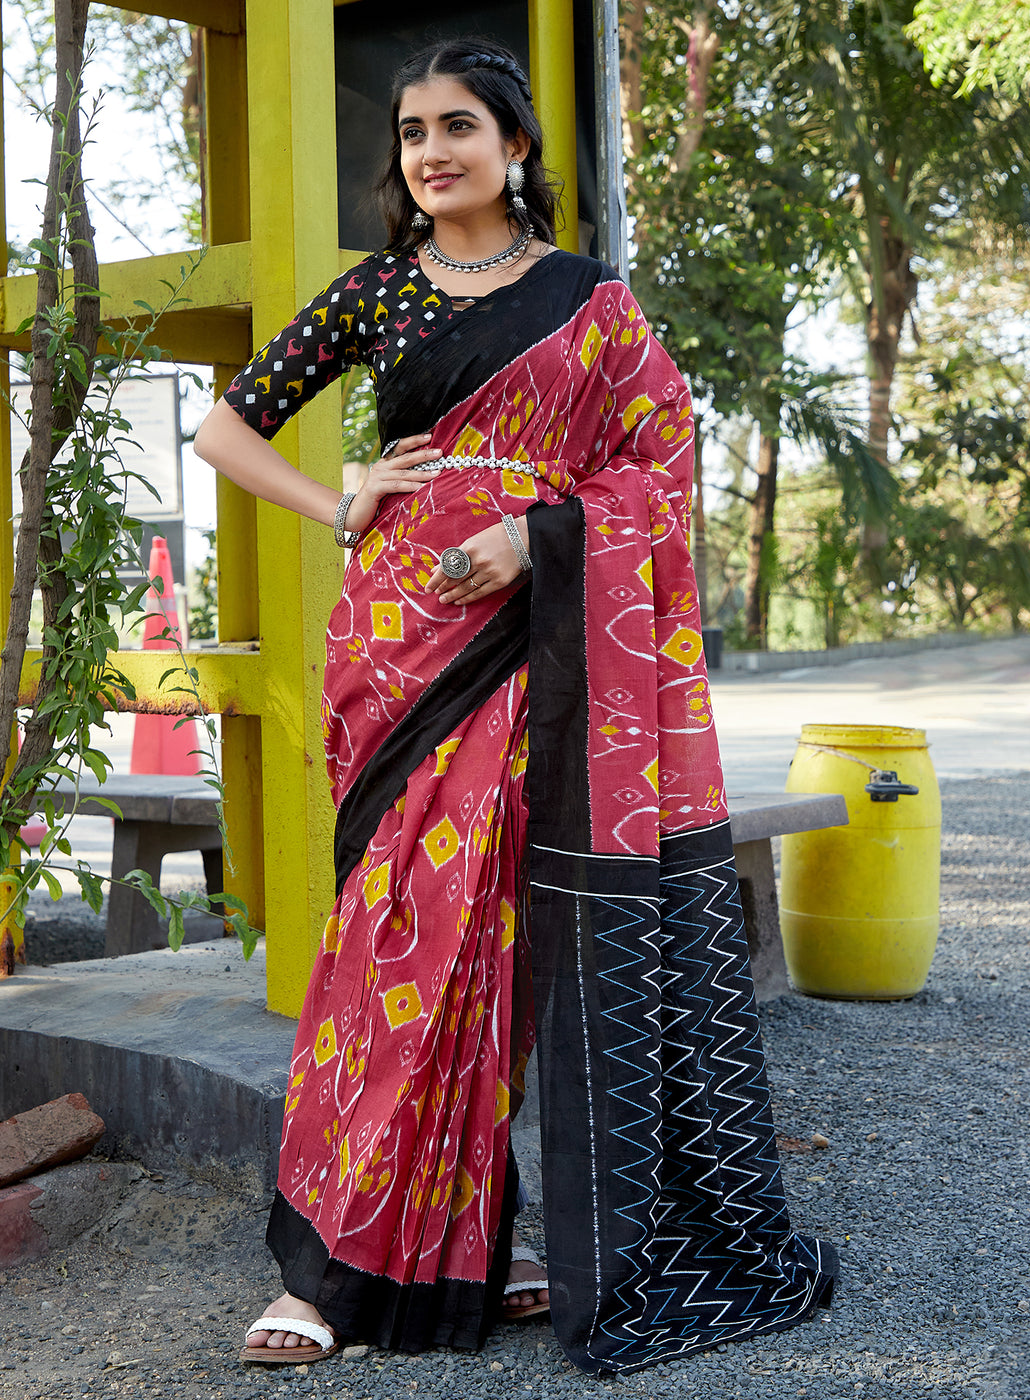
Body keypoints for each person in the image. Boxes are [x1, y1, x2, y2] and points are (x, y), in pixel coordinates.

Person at [195, 36, 838, 1376]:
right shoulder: (376, 294)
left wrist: (541, 531)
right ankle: (324, 1267)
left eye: (459, 128)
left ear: (517, 147)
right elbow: (226, 427)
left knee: (495, 951)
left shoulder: (589, 302)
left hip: (535, 641)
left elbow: (662, 458)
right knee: (387, 944)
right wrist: (344, 498)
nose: (431, 152)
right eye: (414, 134)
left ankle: (468, 1243)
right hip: (402, 649)